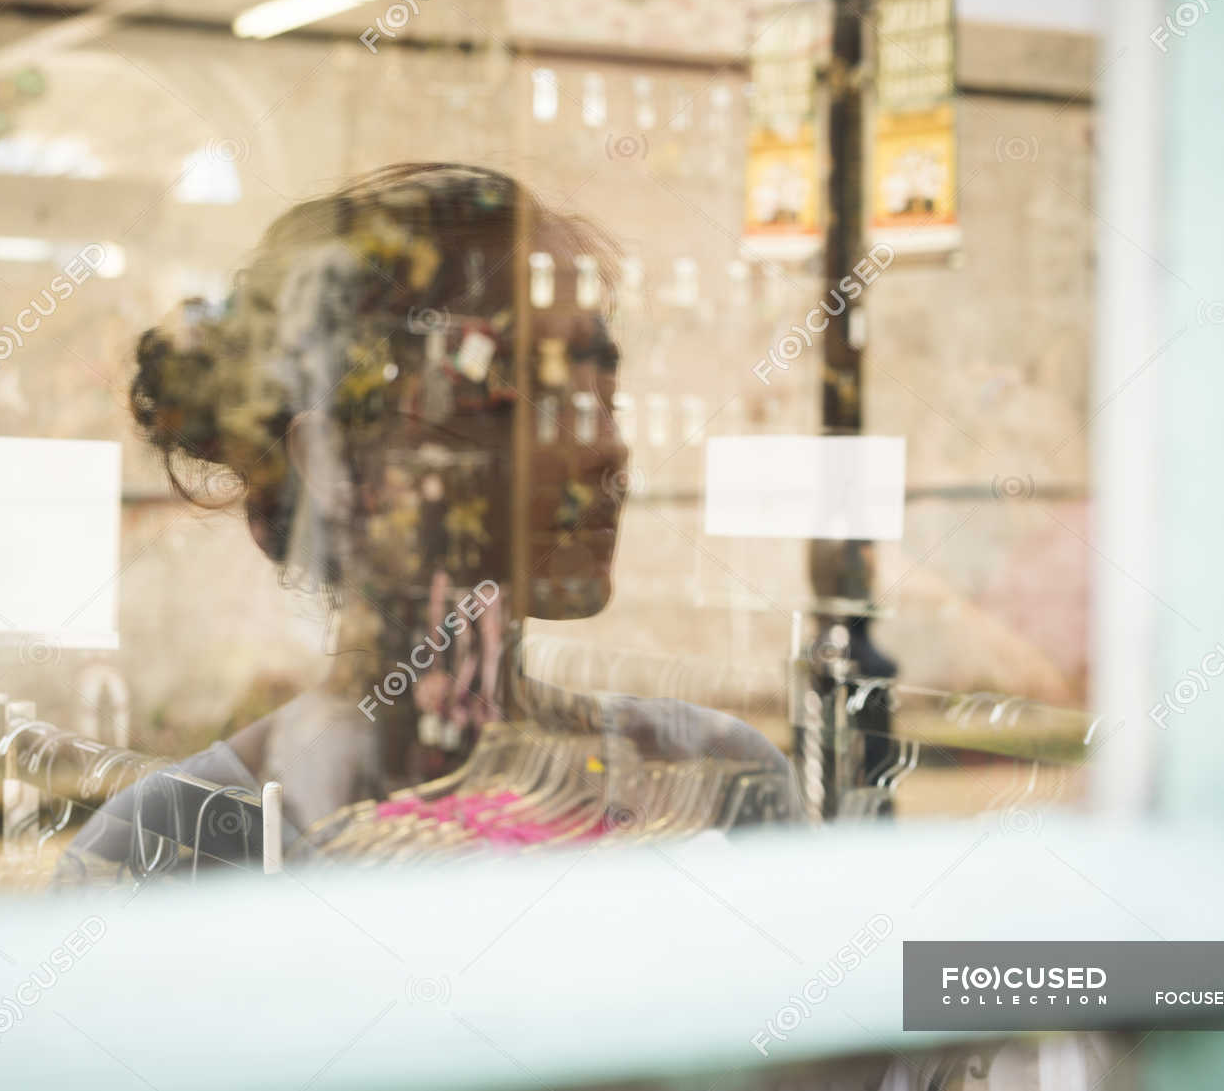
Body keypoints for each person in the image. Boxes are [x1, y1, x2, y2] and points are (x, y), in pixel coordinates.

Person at [62, 163, 796, 876]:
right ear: (336, 463)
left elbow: (895, 990)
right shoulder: (173, 849)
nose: (606, 448)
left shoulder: (717, 789)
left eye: (602, 396)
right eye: (521, 397)